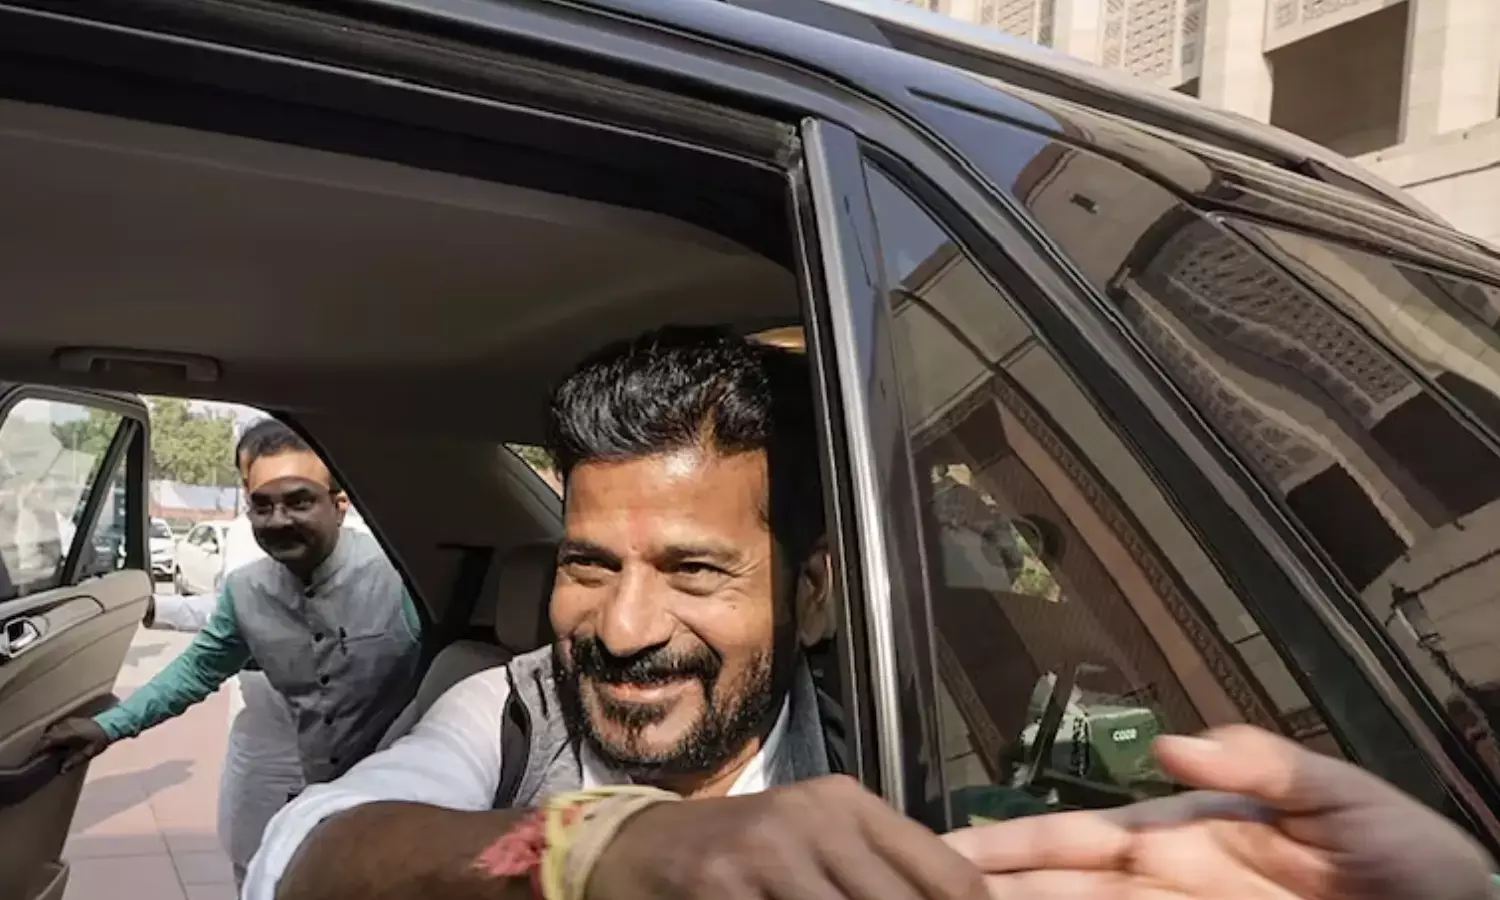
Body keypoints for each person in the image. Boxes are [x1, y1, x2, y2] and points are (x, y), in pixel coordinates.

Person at [245, 327, 1498, 900]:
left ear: (811, 593)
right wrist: (603, 852)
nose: (623, 630)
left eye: (694, 572)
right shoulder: (510, 711)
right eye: (588, 566)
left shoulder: (919, 736)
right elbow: (308, 853)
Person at [39, 420, 424, 881]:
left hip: (410, 806)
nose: (278, 520)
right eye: (262, 505)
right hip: (318, 801)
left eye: (299, 501)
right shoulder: (246, 592)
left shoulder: (401, 577)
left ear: (339, 505)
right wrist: (108, 727)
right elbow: (196, 671)